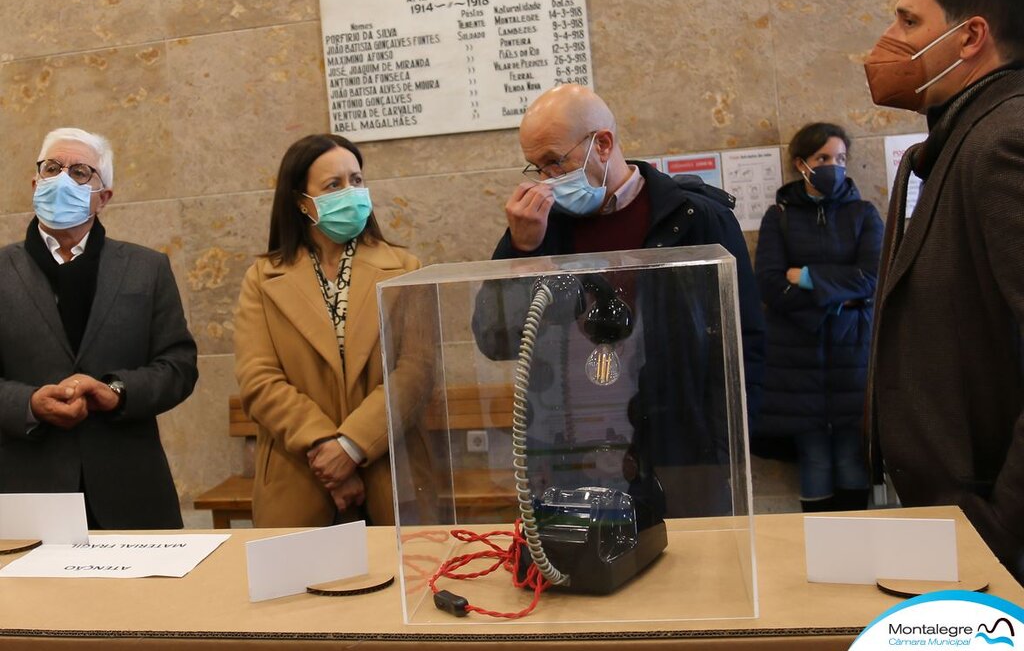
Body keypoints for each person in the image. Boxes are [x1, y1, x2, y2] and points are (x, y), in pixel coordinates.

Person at [473, 85, 765, 518]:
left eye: (556, 161)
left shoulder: (696, 218)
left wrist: (723, 447)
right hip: (569, 454)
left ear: (602, 144)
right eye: (537, 168)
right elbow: (495, 340)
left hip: (680, 451)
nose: (548, 180)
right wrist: (522, 252)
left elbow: (746, 341)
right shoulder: (539, 227)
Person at [863, 0, 1024, 580]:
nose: (886, 41)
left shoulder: (1005, 139)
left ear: (971, 37)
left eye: (907, 22)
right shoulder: (959, 135)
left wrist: (1000, 525)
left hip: (991, 530)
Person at [0, 128, 198, 529]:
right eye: (52, 168)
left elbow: (179, 365)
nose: (61, 180)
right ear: (35, 183)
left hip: (131, 488)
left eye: (79, 172)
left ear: (103, 197)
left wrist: (116, 392)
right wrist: (29, 403)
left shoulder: (147, 268)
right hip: (27, 491)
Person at [234, 134, 434, 528]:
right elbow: (258, 379)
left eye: (356, 181)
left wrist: (352, 446)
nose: (351, 193)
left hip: (390, 471)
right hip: (301, 476)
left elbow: (417, 371)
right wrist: (326, 449)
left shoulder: (405, 268)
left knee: (404, 586)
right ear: (301, 201)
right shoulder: (262, 278)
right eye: (334, 185)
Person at [754, 122, 883, 512]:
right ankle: (820, 555)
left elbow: (873, 278)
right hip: (796, 360)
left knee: (850, 454)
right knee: (812, 457)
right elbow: (771, 285)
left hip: (852, 354)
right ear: (801, 164)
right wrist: (837, 302)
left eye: (840, 159)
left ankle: (859, 547)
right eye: (823, 158)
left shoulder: (864, 214)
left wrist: (809, 277)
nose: (834, 166)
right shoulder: (778, 217)